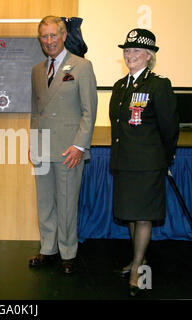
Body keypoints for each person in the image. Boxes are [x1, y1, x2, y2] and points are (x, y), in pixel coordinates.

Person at [109, 28, 179, 296]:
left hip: (147, 164)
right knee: (129, 212)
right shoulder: (119, 86)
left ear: (149, 56)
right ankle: (139, 258)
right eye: (127, 51)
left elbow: (169, 127)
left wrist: (164, 158)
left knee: (143, 216)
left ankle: (138, 266)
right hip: (125, 162)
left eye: (136, 51)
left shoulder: (158, 85)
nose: (130, 55)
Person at [29, 16, 97, 273]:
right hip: (43, 148)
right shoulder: (36, 70)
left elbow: (89, 111)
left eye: (53, 35)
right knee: (45, 203)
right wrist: (34, 142)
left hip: (69, 150)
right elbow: (35, 112)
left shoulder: (82, 66)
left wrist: (79, 146)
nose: (49, 41)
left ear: (64, 35)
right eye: (44, 36)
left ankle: (68, 252)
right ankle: (48, 248)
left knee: (67, 203)